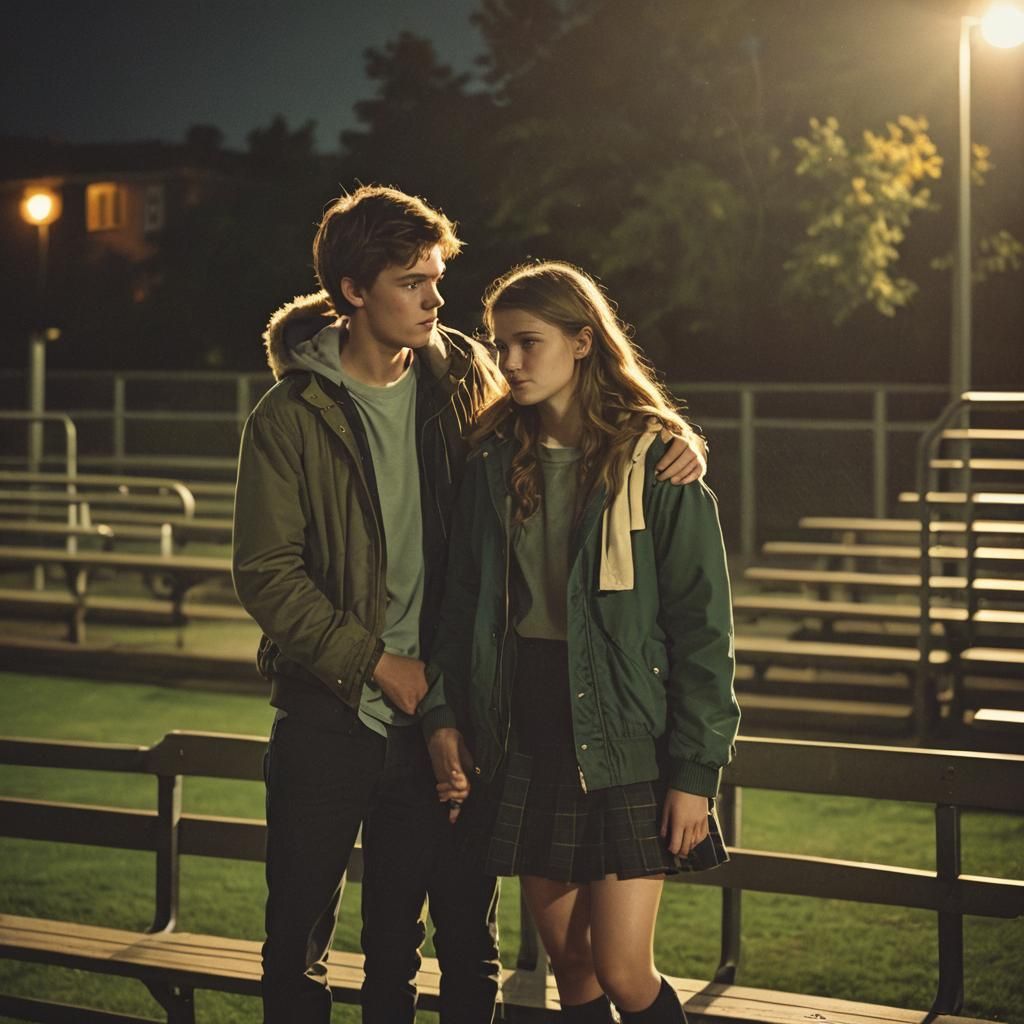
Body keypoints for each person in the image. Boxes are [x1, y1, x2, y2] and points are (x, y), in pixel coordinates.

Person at [232, 187, 708, 1023]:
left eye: (436, 278)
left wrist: (676, 439)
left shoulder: (464, 382)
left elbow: (581, 408)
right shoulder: (290, 414)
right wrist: (378, 663)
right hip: (334, 708)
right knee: (297, 943)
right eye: (413, 281)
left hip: (453, 715)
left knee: (451, 948)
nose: (435, 298)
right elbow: (267, 574)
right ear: (353, 289)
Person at [425, 261, 740, 1023]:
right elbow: (462, 600)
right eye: (501, 346)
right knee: (571, 969)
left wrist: (695, 773)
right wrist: (446, 714)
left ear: (584, 341)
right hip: (527, 736)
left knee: (625, 971)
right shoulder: (494, 457)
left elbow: (705, 630)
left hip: (625, 743)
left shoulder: (658, 462)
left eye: (528, 343)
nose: (510, 363)